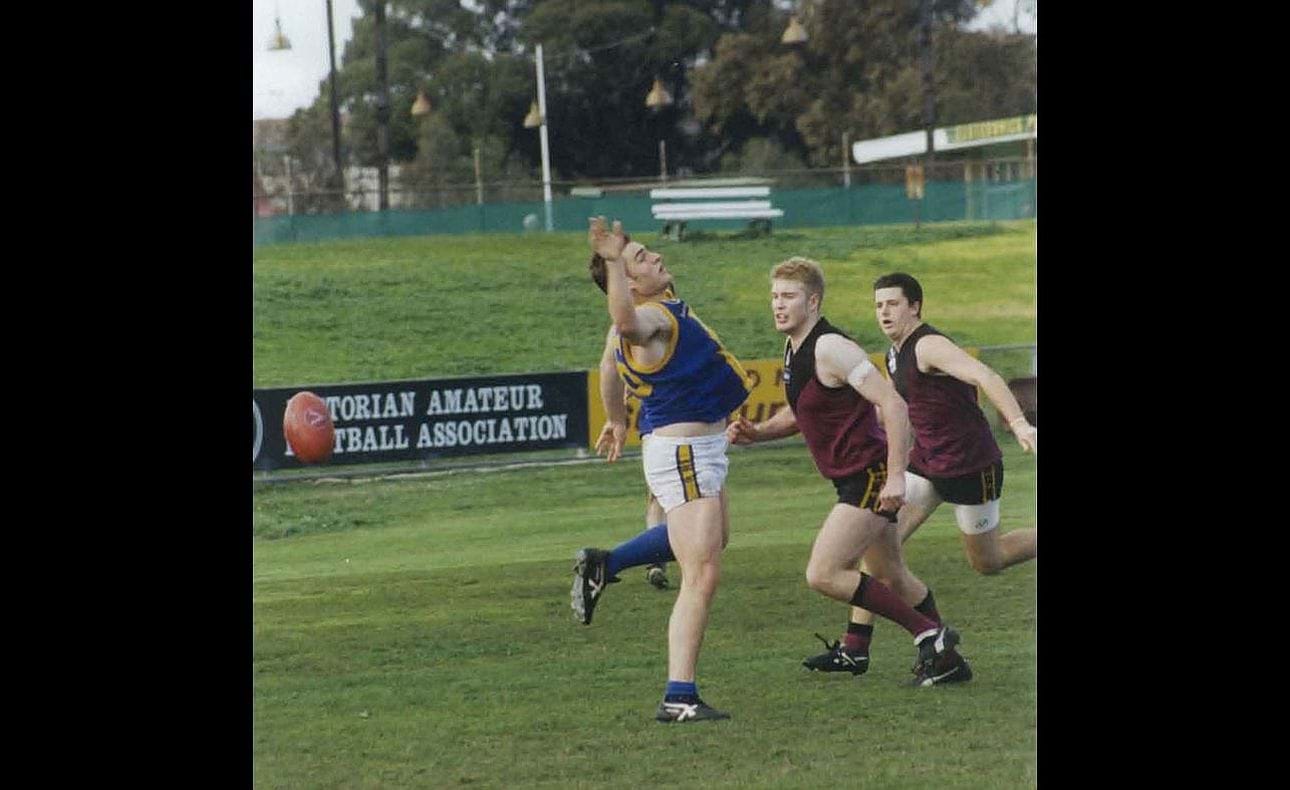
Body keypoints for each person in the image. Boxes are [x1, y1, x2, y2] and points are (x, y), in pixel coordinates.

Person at [726, 257, 968, 686]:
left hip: (869, 477)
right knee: (893, 575)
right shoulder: (795, 348)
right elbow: (804, 411)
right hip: (853, 476)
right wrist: (758, 433)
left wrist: (896, 476)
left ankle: (929, 634)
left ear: (813, 300)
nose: (778, 305)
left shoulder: (831, 348)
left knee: (823, 572)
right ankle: (939, 662)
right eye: (774, 297)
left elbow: (894, 404)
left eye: (788, 297)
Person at [571, 217, 752, 723]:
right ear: (626, 285)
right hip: (686, 455)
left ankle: (604, 564)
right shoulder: (649, 319)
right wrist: (612, 261)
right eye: (641, 259)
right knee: (703, 573)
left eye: (648, 253)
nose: (653, 258)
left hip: (694, 450)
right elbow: (626, 327)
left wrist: (613, 418)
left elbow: (609, 363)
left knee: (714, 543)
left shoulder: (651, 315)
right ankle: (679, 695)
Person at [835, 272, 1036, 669]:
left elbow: (985, 375)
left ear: (915, 307)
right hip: (926, 464)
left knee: (988, 562)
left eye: (893, 303)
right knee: (876, 544)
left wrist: (1018, 423)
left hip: (970, 467)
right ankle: (855, 648)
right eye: (878, 305)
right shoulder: (894, 353)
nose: (884, 312)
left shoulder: (928, 345)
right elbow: (907, 410)